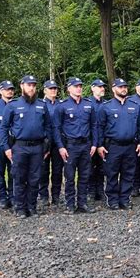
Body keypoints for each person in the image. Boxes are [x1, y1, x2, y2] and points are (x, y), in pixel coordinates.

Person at [0, 75, 53, 218]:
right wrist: (6, 148)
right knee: (19, 178)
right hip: (20, 147)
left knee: (34, 178)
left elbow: (48, 126)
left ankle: (32, 207)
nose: (31, 88)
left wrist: (47, 145)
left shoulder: (42, 105)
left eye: (34, 85)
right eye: (29, 85)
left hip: (37, 148)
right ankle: (20, 208)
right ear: (22, 86)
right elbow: (4, 128)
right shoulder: (13, 105)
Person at [97, 78, 140, 210]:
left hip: (130, 146)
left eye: (125, 86)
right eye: (120, 87)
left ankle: (124, 199)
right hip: (113, 146)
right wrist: (100, 145)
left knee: (128, 174)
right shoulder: (106, 107)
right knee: (112, 174)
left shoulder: (134, 106)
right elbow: (99, 127)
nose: (123, 89)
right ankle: (112, 200)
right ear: (113, 89)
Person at [53, 77, 97, 214]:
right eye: (75, 86)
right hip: (70, 146)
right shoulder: (62, 106)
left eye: (80, 86)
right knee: (70, 177)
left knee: (85, 176)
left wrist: (94, 144)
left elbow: (94, 126)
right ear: (69, 89)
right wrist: (60, 147)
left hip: (86, 145)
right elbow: (56, 128)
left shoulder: (89, 105)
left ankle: (82, 203)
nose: (78, 88)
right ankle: (70, 204)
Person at [38, 79, 64, 209]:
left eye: (55, 88)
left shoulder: (61, 104)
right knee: (43, 170)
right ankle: (43, 196)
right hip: (44, 143)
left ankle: (56, 196)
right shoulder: (40, 104)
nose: (53, 90)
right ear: (45, 90)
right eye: (51, 88)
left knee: (58, 171)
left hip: (58, 143)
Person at [0, 80, 15, 209]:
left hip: (13, 143)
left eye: (11, 89)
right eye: (6, 89)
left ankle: (13, 196)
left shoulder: (17, 105)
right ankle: (2, 197)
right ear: (1, 91)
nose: (9, 91)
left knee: (13, 171)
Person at [87, 79, 107, 201]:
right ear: (93, 88)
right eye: (99, 87)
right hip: (91, 141)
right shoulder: (88, 103)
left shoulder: (107, 104)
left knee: (102, 167)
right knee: (89, 167)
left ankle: (100, 189)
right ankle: (91, 190)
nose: (102, 88)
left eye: (103, 87)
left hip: (104, 141)